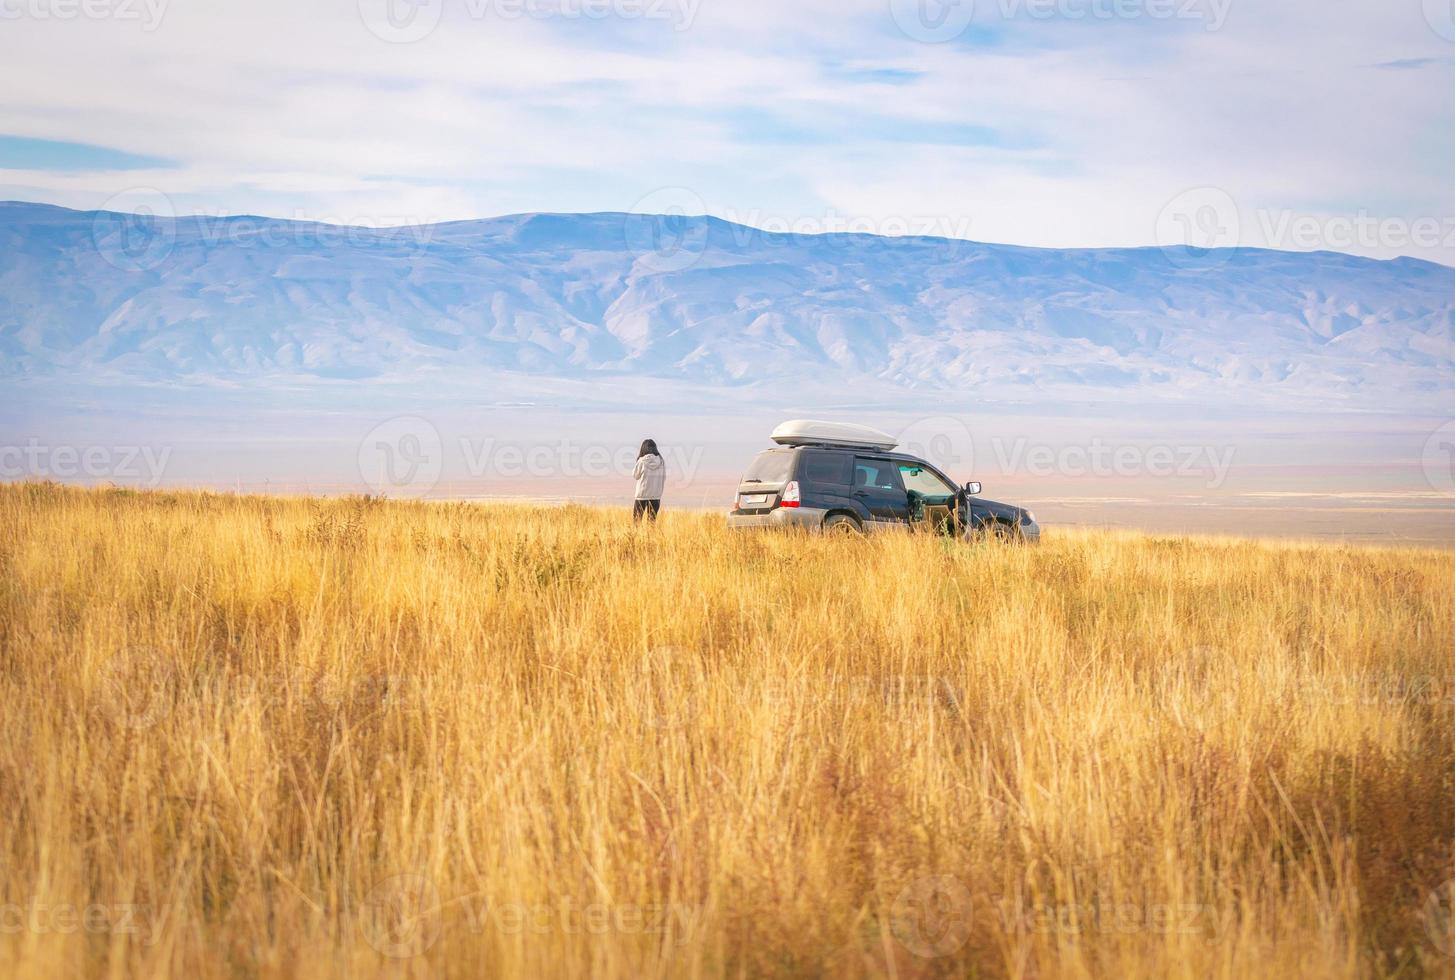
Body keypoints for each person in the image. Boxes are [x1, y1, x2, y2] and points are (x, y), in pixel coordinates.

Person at [632, 439, 665, 523]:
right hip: (656, 496)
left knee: (636, 523)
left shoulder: (641, 461)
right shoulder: (661, 462)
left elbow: (635, 476)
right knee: (651, 523)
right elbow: (664, 478)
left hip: (641, 496)